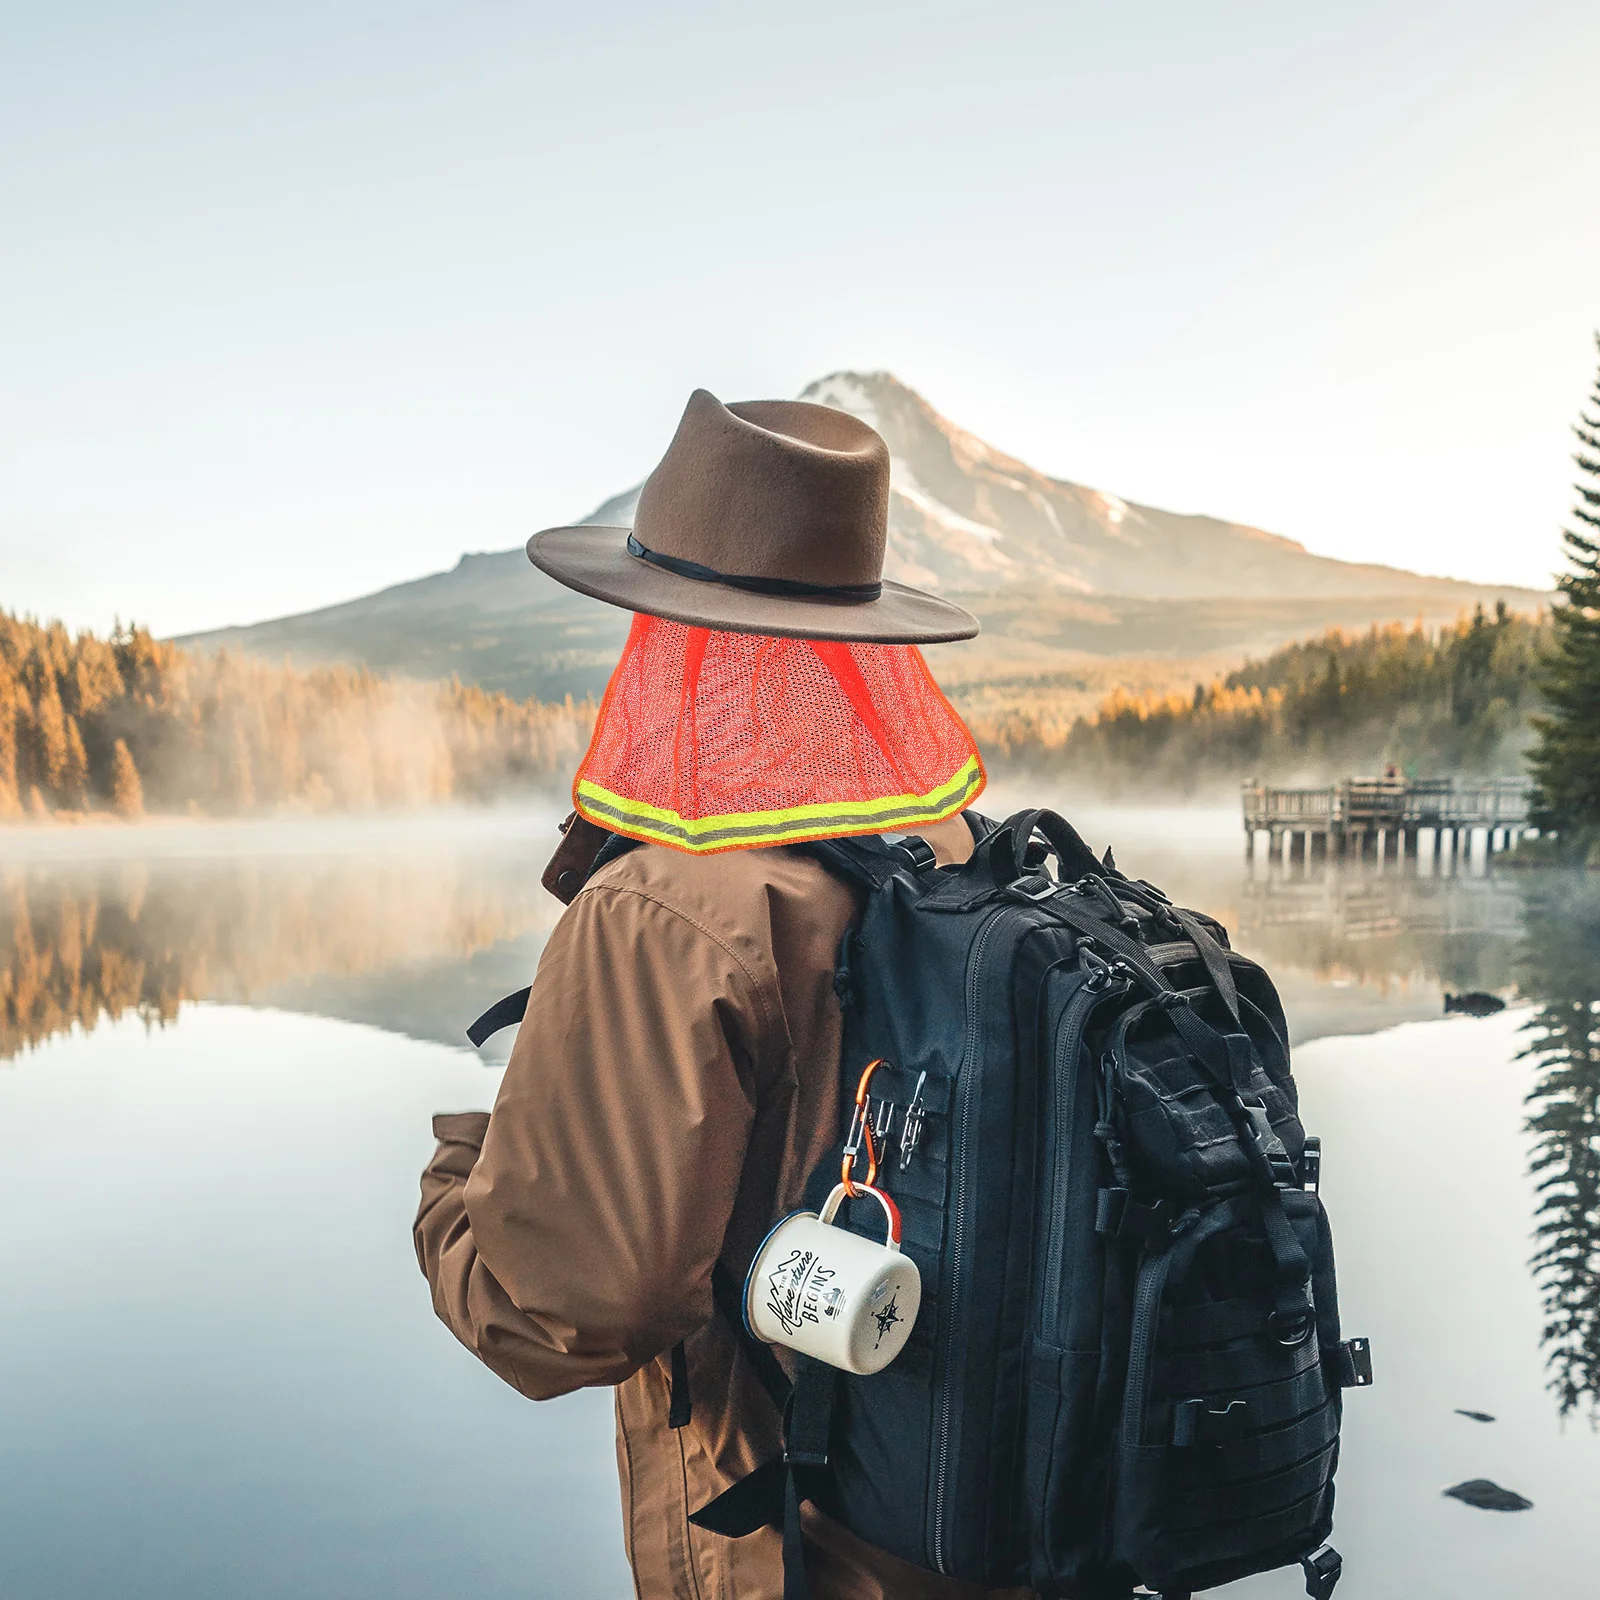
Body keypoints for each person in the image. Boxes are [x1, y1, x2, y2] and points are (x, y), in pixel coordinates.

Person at [415, 390, 1031, 1599]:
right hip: (993, 1540)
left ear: (669, 633)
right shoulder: (957, 848)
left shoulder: (661, 909)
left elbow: (566, 1314)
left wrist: (455, 1194)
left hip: (796, 1554)